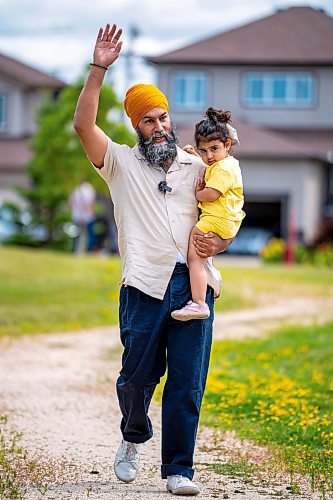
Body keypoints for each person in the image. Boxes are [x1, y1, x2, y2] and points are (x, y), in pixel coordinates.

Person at [73, 23, 226, 496]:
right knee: (136, 378)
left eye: (162, 118)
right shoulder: (119, 163)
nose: (158, 126)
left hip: (193, 289)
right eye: (148, 121)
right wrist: (99, 68)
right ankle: (132, 435)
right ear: (135, 127)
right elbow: (83, 125)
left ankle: (179, 469)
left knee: (187, 383)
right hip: (142, 287)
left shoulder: (196, 165)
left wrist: (219, 240)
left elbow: (227, 205)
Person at [171, 108, 245, 321]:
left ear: (227, 145)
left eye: (214, 149)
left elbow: (211, 194)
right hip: (226, 219)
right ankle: (199, 301)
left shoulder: (223, 169)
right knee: (199, 258)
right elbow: (208, 167)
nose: (209, 156)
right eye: (203, 151)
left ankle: (199, 303)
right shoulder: (224, 164)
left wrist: (198, 193)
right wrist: (196, 158)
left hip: (217, 220)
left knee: (194, 259)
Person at [69, 181, 96, 254]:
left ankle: (76, 250)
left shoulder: (76, 190)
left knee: (77, 234)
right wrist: (90, 213)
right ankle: (84, 251)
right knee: (86, 235)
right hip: (86, 216)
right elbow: (89, 203)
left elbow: (71, 203)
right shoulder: (89, 190)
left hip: (76, 215)